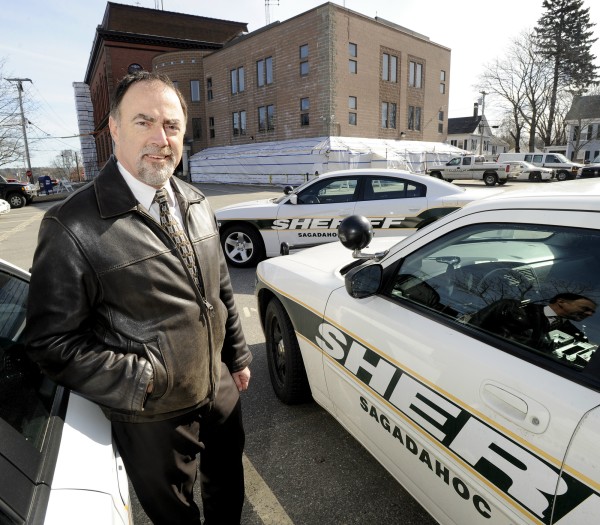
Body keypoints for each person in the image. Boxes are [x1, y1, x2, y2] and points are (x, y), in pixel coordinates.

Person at [25, 71, 252, 525]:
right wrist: (142, 379)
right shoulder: (73, 225)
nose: (160, 138)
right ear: (113, 128)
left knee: (229, 486)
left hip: (218, 384)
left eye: (171, 125)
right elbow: (50, 342)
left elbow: (219, 286)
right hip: (152, 411)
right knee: (176, 512)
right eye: (143, 122)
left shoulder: (195, 200)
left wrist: (238, 355)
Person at [470, 292, 596, 351]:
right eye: (585, 309)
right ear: (561, 302)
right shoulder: (511, 308)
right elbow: (473, 326)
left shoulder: (576, 336)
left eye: (592, 312)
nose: (589, 314)